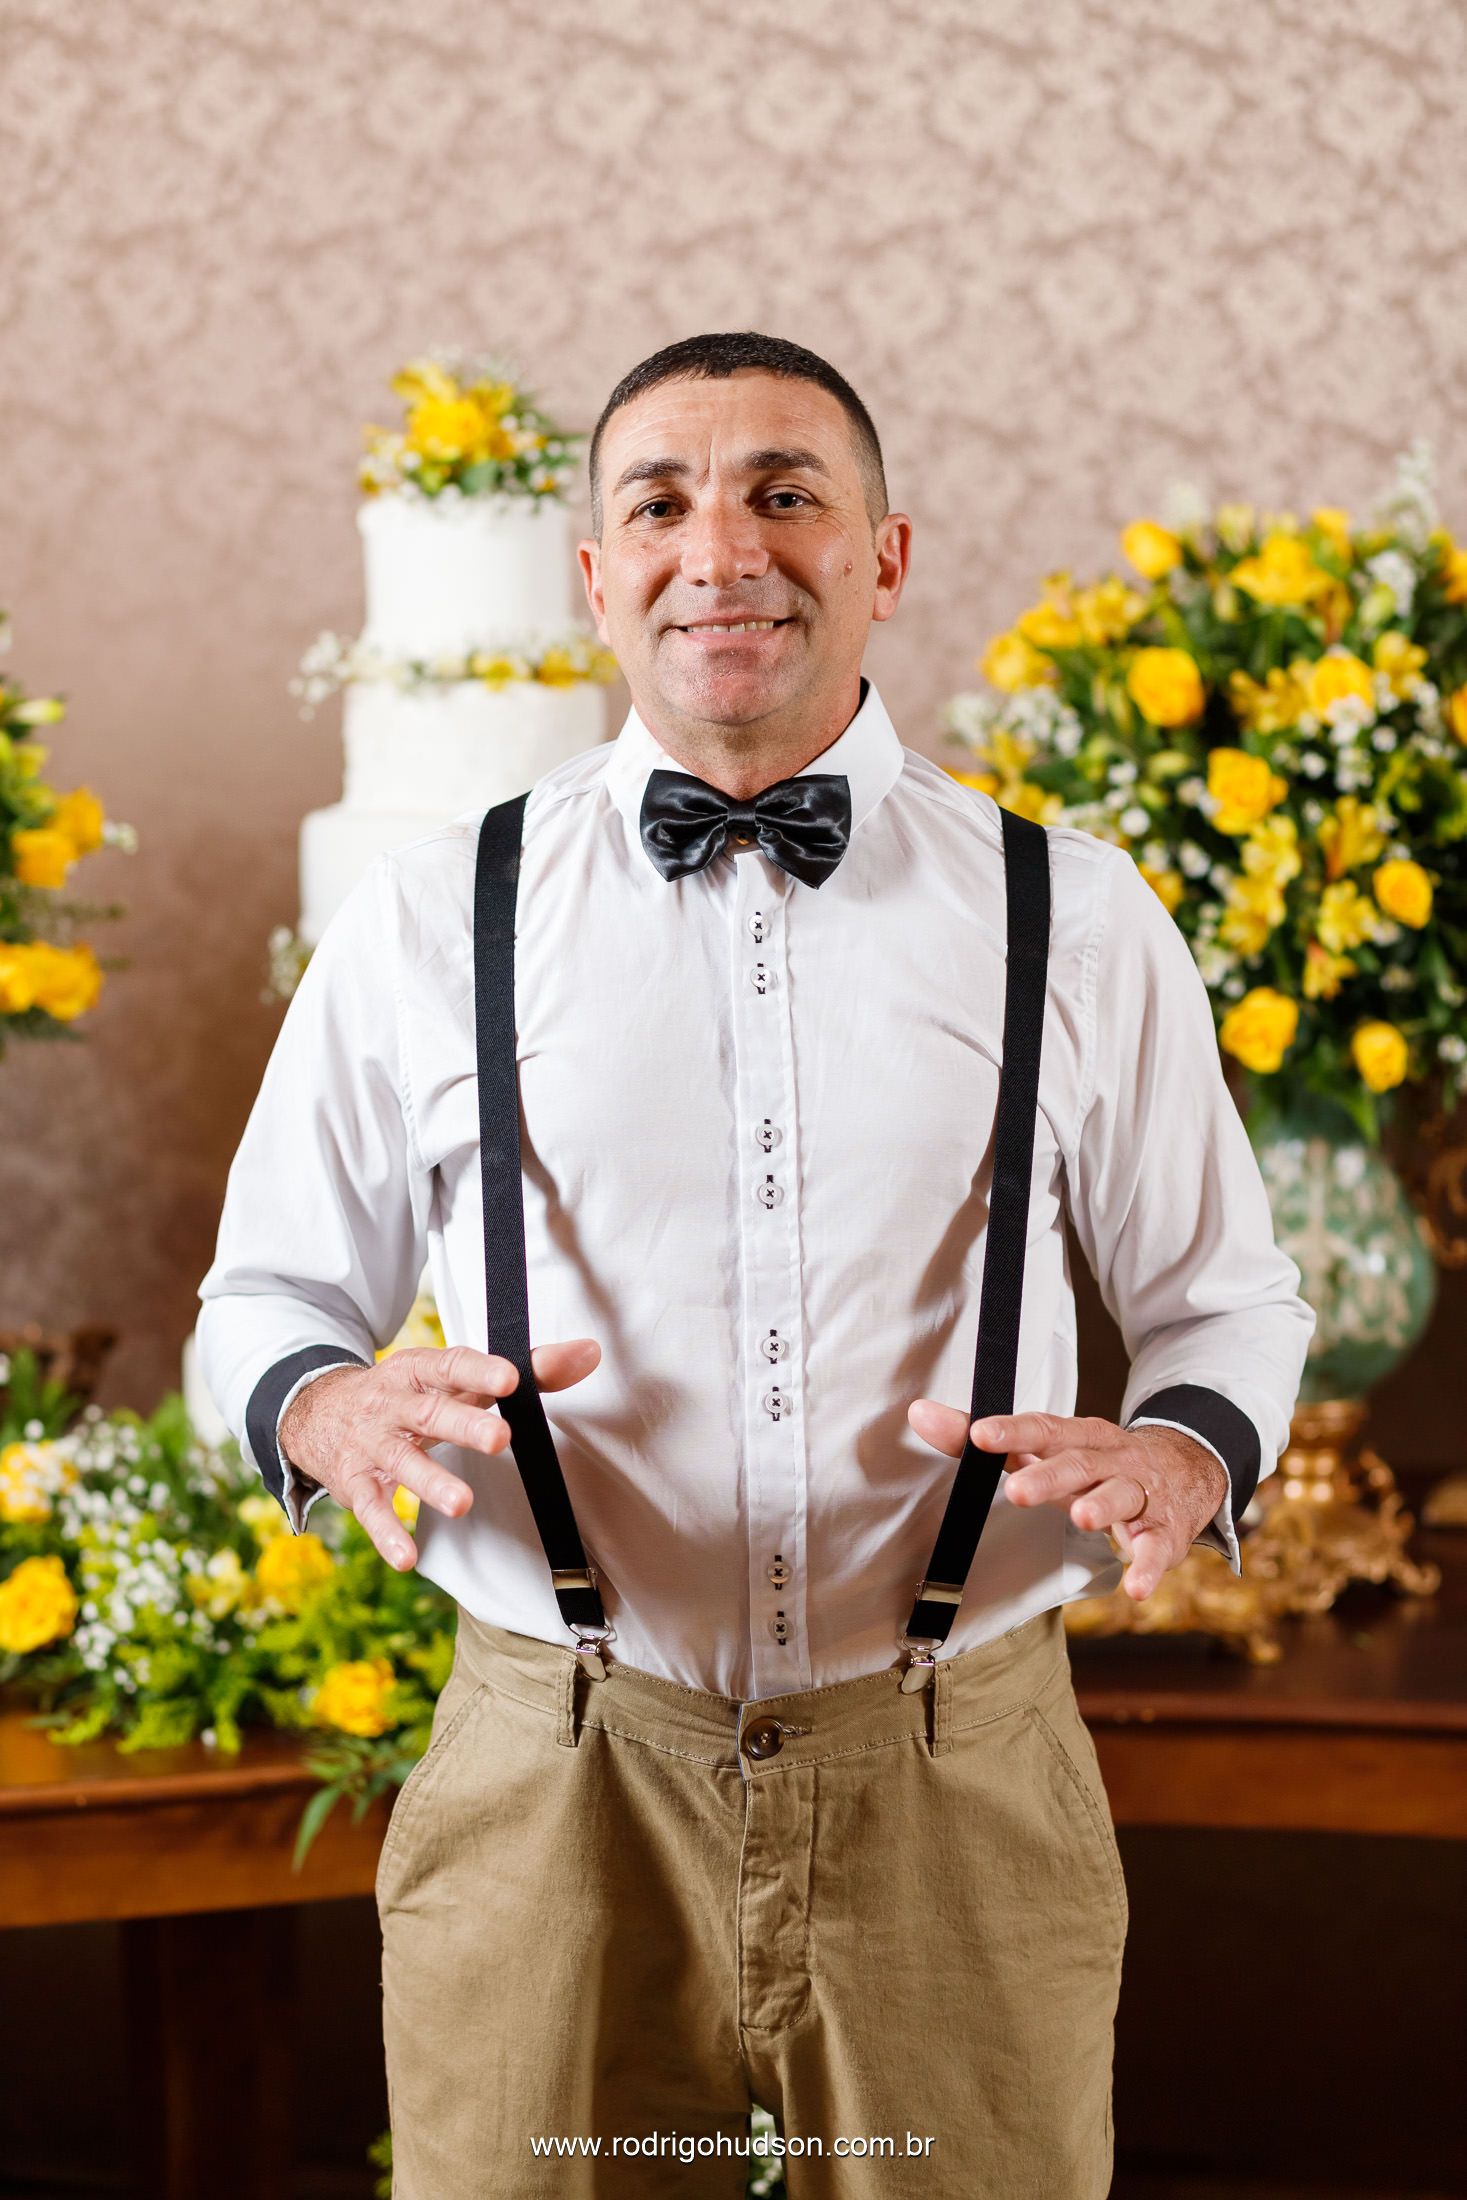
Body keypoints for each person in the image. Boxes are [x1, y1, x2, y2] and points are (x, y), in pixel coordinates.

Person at [196, 330, 1315, 2198]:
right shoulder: (427, 913)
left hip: (960, 1773)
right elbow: (266, 1301)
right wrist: (326, 1404)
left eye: (785, 494)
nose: (721, 547)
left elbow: (1227, 1299)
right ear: (597, 577)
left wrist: (1192, 1445)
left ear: (883, 558)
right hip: (554, 1771)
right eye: (662, 502)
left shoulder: (1080, 914)